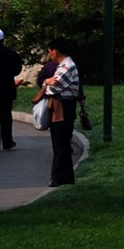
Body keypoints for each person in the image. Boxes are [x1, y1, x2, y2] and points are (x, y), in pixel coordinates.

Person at [35, 42, 82, 186]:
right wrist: (48, 83)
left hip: (64, 107)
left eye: (50, 51)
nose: (49, 54)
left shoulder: (66, 66)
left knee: (60, 144)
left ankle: (56, 177)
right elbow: (50, 84)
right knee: (61, 143)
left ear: (55, 51)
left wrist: (47, 84)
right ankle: (67, 176)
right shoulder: (63, 66)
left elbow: (53, 89)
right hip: (61, 106)